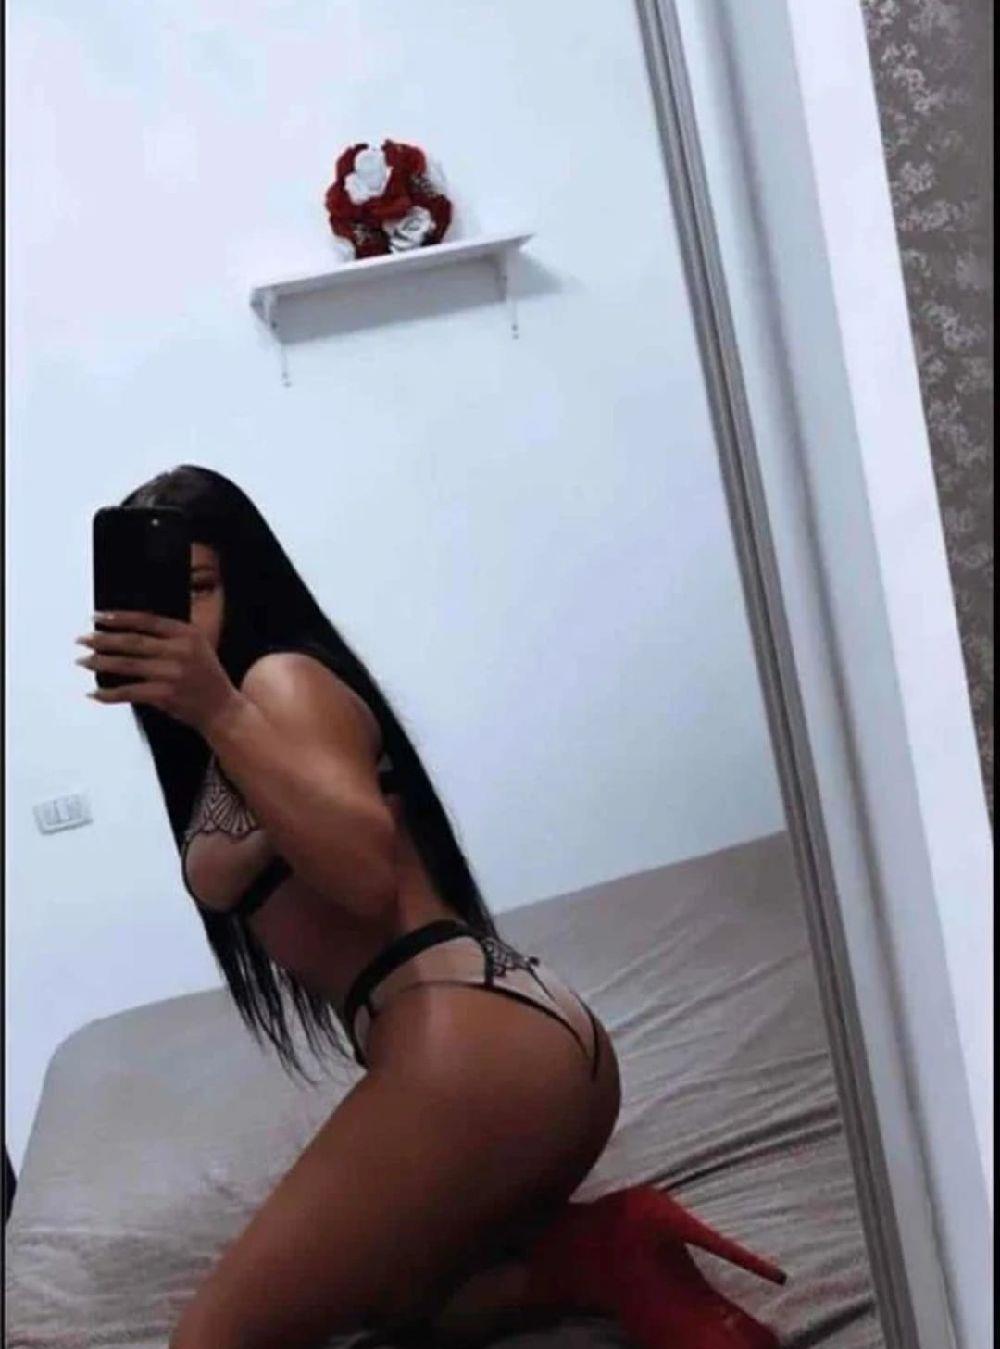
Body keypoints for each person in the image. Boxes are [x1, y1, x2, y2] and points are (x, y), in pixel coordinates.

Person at [76, 465, 785, 1349]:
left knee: (209, 1344)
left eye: (201, 588)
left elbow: (364, 874)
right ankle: (602, 1251)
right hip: (521, 1036)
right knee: (405, 1305)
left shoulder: (278, 684)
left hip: (467, 1048)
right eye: (158, 597)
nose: (181, 619)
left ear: (246, 585)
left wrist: (215, 705)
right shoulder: (228, 733)